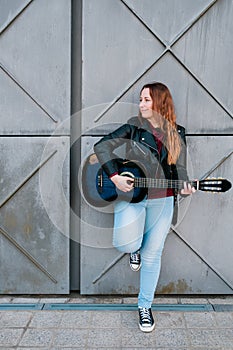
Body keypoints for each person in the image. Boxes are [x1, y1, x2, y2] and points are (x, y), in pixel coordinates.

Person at [94, 82, 196, 332]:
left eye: (147, 100)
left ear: (161, 103)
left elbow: (179, 170)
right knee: (126, 243)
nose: (141, 104)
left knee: (153, 256)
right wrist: (115, 176)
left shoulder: (178, 133)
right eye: (140, 100)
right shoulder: (133, 126)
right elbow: (102, 146)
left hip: (162, 199)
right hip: (133, 197)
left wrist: (183, 186)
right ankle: (134, 248)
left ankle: (144, 307)